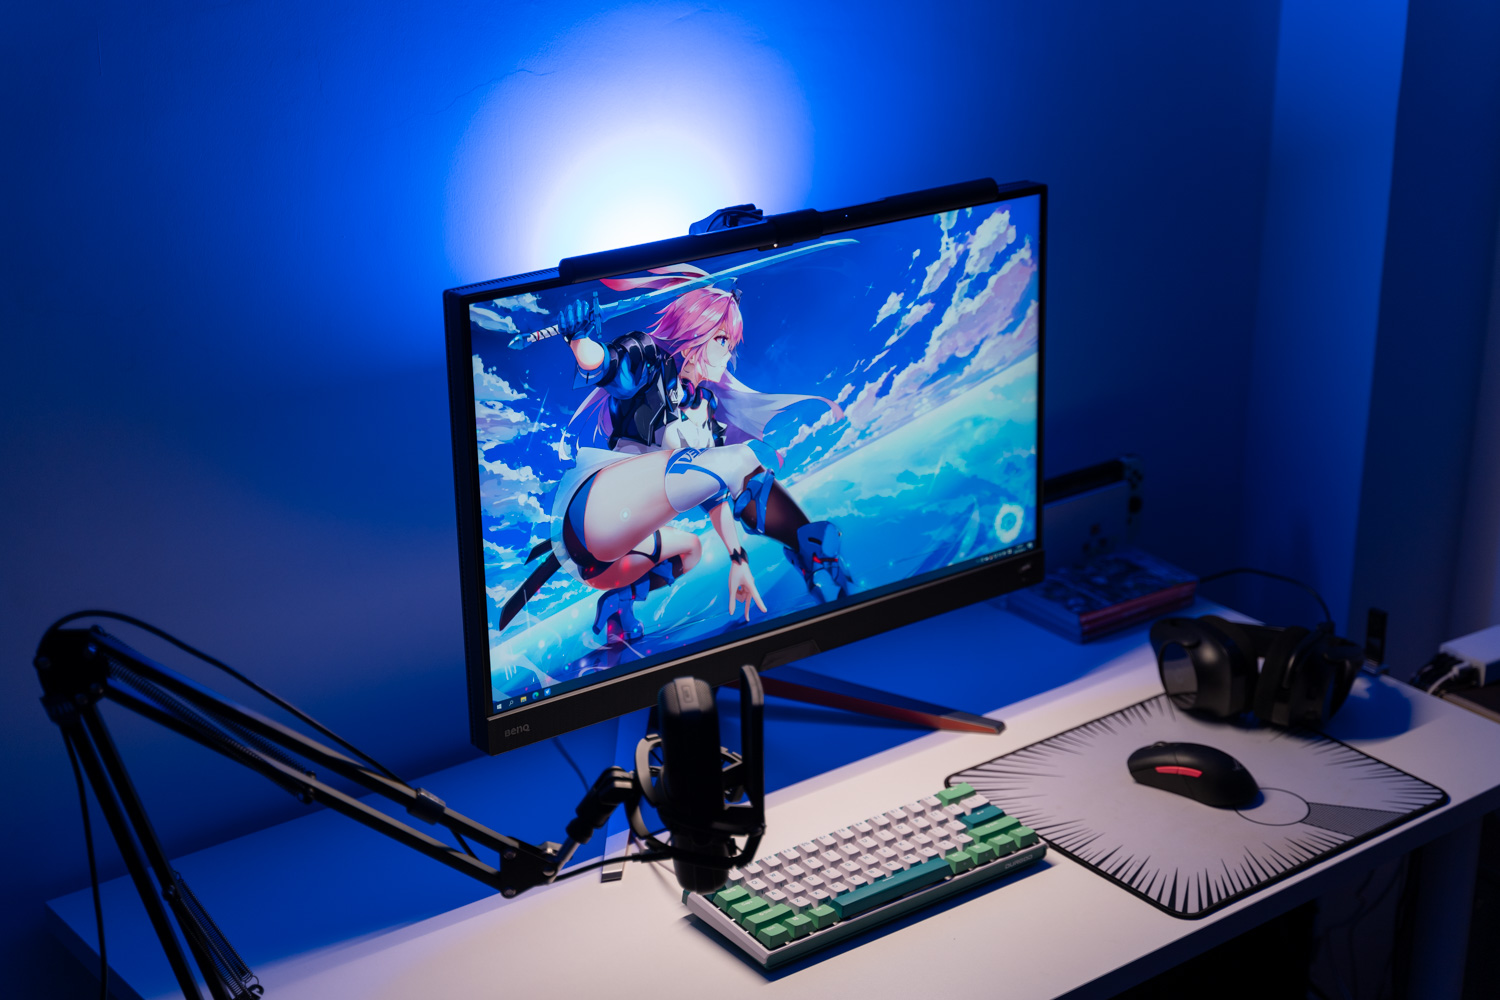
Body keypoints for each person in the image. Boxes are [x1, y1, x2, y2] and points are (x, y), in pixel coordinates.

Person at [501, 266, 853, 644]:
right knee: (739, 459)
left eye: (731, 343)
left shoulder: (704, 413)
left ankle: (619, 603)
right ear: (696, 331)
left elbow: (717, 497)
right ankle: (812, 549)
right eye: (722, 339)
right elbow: (606, 365)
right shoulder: (649, 360)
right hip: (597, 515)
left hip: (608, 561)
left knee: (691, 551)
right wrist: (580, 339)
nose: (728, 353)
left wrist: (739, 560)